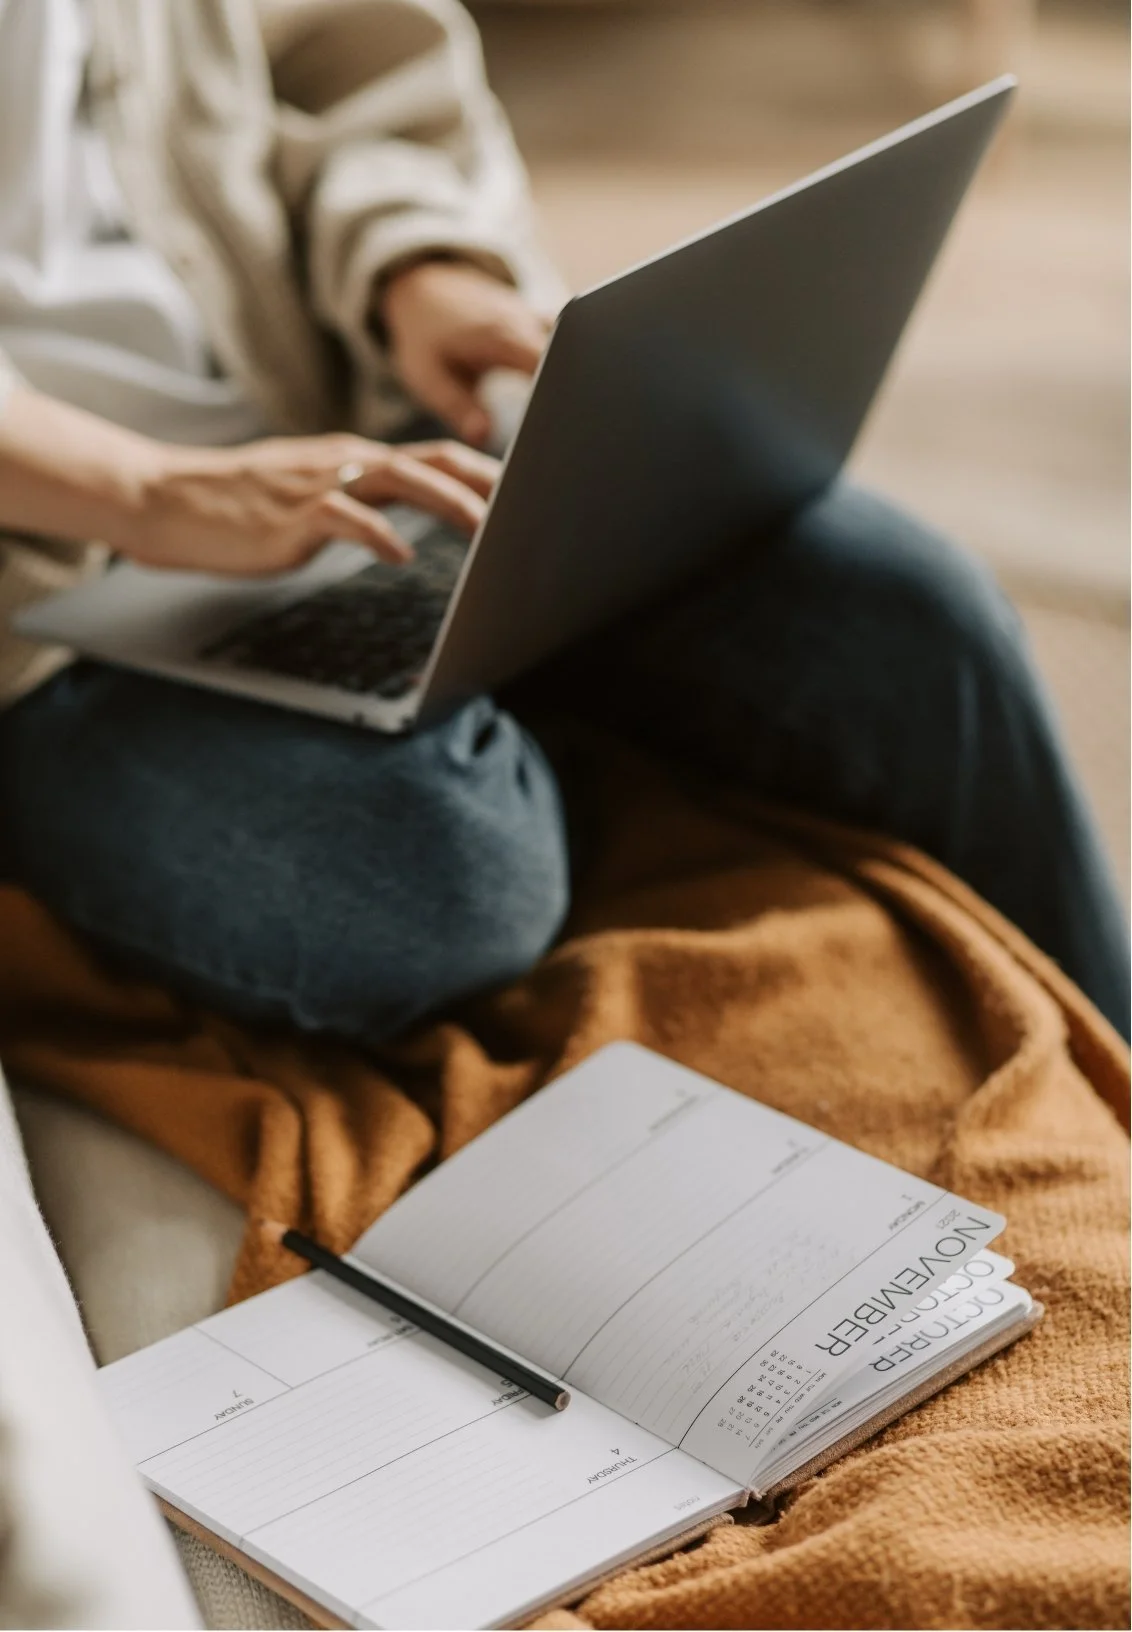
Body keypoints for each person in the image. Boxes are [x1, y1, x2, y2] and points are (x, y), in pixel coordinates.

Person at [0, 0, 1126, 1047]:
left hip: (359, 432)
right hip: (44, 611)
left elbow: (339, 54)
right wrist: (142, 491)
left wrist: (417, 262)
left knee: (919, 619)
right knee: (442, 876)